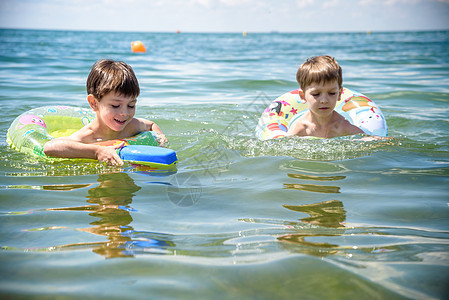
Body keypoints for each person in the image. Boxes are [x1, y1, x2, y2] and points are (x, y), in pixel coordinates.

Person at [44, 59, 167, 166]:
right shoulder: (88, 136)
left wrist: (160, 136)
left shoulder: (131, 126)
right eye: (115, 105)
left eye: (131, 105)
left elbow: (151, 125)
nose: (125, 113)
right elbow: (50, 147)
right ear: (94, 103)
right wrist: (96, 152)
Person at [286, 55, 364, 138]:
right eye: (316, 94)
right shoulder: (300, 128)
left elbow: (367, 138)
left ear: (339, 94)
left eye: (332, 93)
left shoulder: (342, 126)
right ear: (303, 96)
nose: (324, 100)